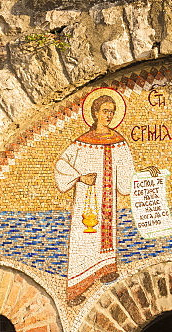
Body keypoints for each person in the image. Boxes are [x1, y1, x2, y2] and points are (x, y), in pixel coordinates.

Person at [54, 90, 135, 306]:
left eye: (112, 112)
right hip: (86, 203)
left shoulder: (119, 141)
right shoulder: (81, 143)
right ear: (95, 112)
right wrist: (79, 177)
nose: (109, 116)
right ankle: (75, 290)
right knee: (84, 240)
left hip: (108, 203)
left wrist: (144, 176)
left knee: (107, 235)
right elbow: (61, 165)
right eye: (105, 111)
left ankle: (107, 269)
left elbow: (126, 178)